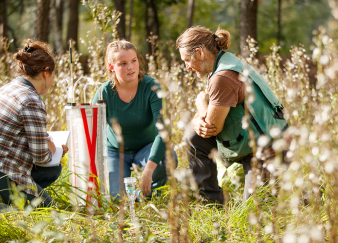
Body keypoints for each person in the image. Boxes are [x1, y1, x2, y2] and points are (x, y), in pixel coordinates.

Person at [176, 26, 289, 204]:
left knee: (255, 211)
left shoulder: (223, 77)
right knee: (193, 135)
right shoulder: (225, 62)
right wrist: (197, 119)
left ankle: (309, 194)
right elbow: (207, 121)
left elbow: (212, 128)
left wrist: (200, 103)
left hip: (270, 150)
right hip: (251, 142)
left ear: (199, 52)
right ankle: (211, 203)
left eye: (187, 60)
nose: (187, 67)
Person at [0, 40, 67, 209]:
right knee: (49, 214)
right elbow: (41, 157)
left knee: (53, 170)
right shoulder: (32, 100)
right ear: (45, 73)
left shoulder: (7, 89)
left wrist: (48, 145)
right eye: (52, 76)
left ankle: (1, 202)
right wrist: (55, 151)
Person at [92, 40, 174, 200]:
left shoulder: (152, 87)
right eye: (123, 63)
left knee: (168, 157)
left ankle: (151, 192)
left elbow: (163, 132)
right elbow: (93, 130)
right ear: (111, 66)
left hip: (146, 149)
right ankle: (136, 196)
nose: (130, 67)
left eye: (133, 61)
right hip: (115, 152)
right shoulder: (104, 92)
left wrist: (149, 169)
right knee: (116, 199)